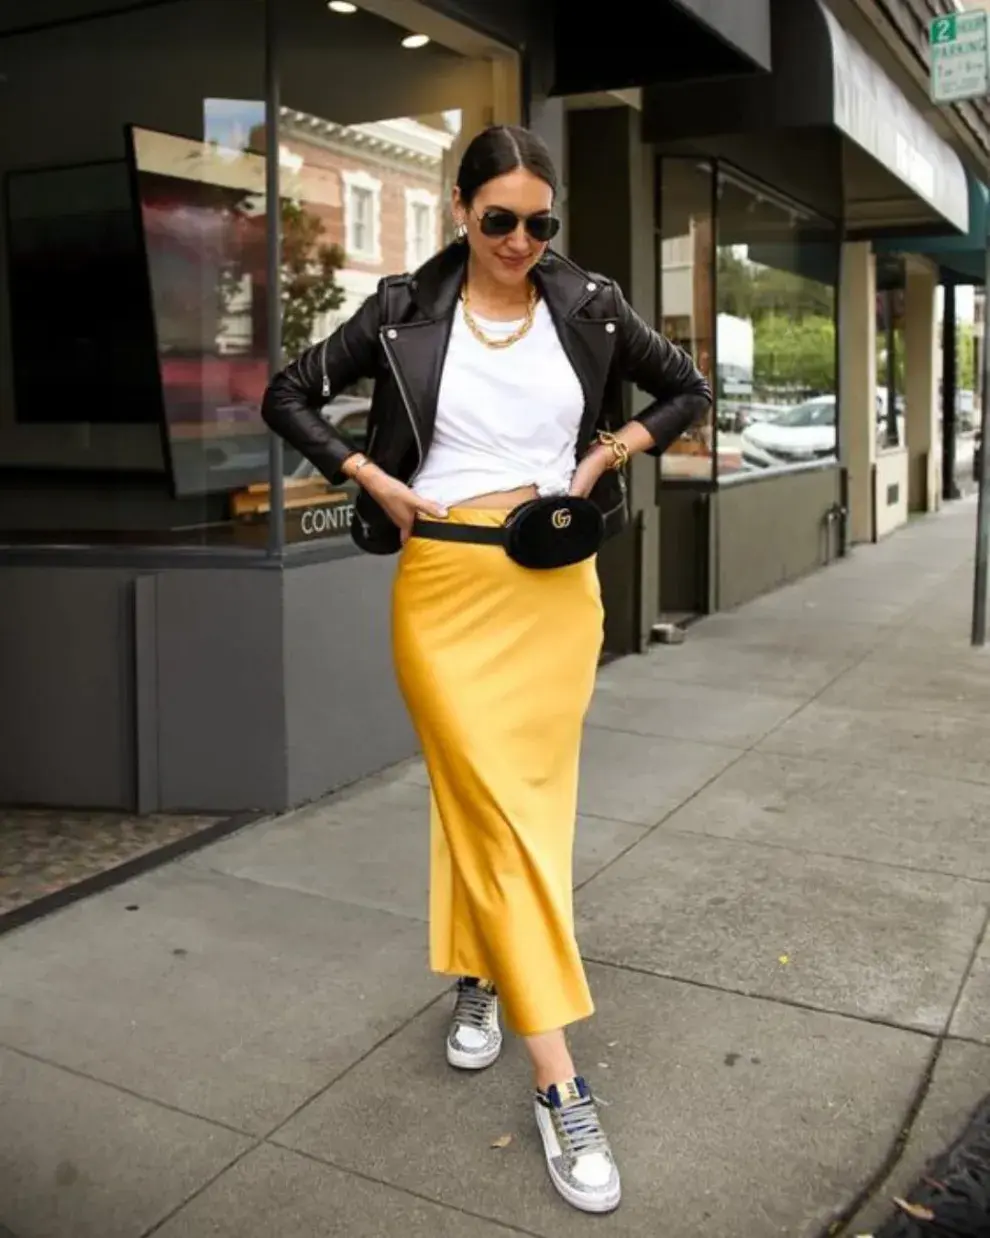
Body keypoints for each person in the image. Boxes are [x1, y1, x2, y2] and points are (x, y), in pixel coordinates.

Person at [262, 124, 712, 1214]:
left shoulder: (592, 302)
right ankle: (561, 1080)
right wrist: (369, 473)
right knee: (496, 808)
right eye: (500, 218)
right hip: (444, 592)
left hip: (557, 594)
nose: (520, 240)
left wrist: (609, 451)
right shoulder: (402, 313)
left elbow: (687, 389)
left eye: (539, 221)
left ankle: (481, 975)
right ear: (460, 206)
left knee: (521, 813)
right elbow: (285, 392)